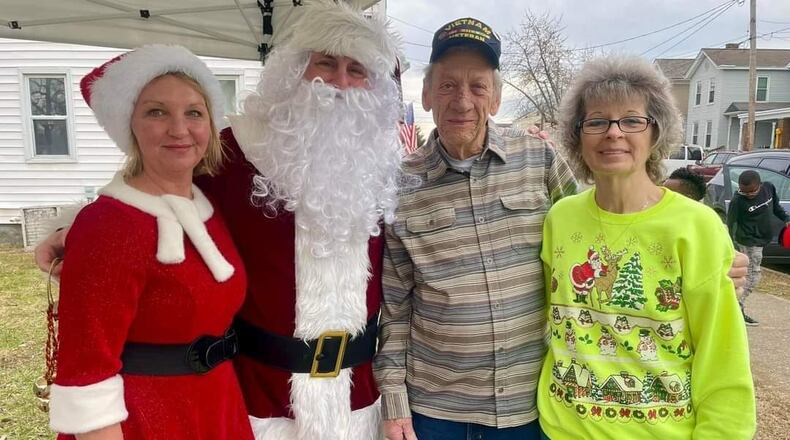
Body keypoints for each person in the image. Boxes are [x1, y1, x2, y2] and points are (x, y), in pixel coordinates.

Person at [36, 3, 403, 439]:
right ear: (294, 70)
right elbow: (154, 190)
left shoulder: (386, 166)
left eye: (356, 69)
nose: (340, 82)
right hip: (259, 404)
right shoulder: (236, 150)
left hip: (360, 402)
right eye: (324, 63)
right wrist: (74, 230)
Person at [374, 18, 578, 440]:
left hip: (530, 406)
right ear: (427, 95)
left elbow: (598, 235)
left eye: (477, 86)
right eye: (447, 85)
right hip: (436, 412)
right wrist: (394, 406)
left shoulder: (539, 160)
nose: (462, 101)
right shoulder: (400, 184)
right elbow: (394, 310)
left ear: (497, 98)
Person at [538, 55, 756, 439]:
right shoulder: (560, 219)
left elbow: (723, 357)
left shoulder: (697, 227)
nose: (613, 133)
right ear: (578, 135)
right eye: (597, 120)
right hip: (559, 430)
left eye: (632, 120)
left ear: (656, 133)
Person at [48, 45, 254, 439]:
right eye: (156, 111)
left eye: (194, 112)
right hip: (144, 418)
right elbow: (86, 368)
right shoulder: (108, 224)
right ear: (131, 125)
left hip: (216, 405)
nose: (179, 129)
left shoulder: (206, 206)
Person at [726, 170, 790, 326]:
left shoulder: (769, 188)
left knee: (749, 277)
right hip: (749, 241)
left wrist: (786, 219)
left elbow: (775, 207)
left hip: (763, 239)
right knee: (753, 277)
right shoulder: (738, 201)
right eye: (744, 191)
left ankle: (734, 307)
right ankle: (736, 308)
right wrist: (733, 245)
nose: (748, 195)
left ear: (760, 184)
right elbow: (731, 223)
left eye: (752, 191)